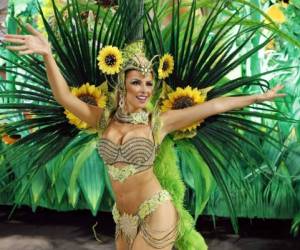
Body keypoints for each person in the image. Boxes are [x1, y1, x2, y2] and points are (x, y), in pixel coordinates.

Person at [3, 21, 286, 250]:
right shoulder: (103, 120)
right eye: (136, 82)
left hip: (156, 210)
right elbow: (63, 96)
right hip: (123, 217)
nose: (144, 89)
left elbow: (214, 105)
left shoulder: (158, 123)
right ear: (121, 84)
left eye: (149, 83)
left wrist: (258, 97)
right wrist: (48, 55)